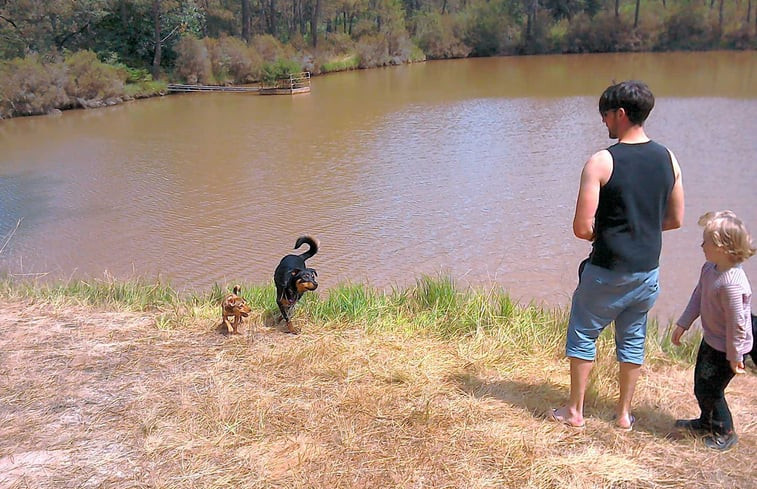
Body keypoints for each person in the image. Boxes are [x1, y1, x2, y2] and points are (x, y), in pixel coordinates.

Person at [550, 80, 685, 430]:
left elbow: (582, 228)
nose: (604, 123)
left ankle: (575, 411)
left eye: (605, 115)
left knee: (582, 333)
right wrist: (640, 229)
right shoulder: (669, 158)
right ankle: (624, 414)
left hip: (607, 270)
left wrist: (608, 233)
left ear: (620, 114)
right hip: (647, 273)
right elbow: (675, 219)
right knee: (633, 337)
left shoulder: (601, 162)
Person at [671, 211, 754, 451]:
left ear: (722, 247)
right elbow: (698, 295)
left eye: (706, 241)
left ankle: (724, 431)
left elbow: (739, 323)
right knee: (700, 384)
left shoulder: (732, 283)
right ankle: (705, 422)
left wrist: (736, 355)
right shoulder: (710, 268)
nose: (701, 245)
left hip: (728, 348)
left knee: (712, 389)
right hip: (711, 341)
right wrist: (683, 323)